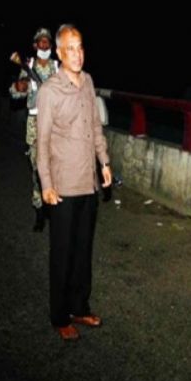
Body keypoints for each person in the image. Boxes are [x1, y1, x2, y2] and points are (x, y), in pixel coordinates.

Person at [36, 24, 111, 341]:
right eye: (70, 48)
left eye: (80, 47)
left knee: (83, 250)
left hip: (87, 182)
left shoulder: (88, 81)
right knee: (62, 253)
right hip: (63, 185)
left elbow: (95, 126)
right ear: (59, 52)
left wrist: (104, 161)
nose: (77, 54)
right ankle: (59, 316)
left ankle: (80, 307)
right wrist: (46, 184)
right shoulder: (49, 91)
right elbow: (41, 142)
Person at [10, 27, 59, 231]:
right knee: (38, 171)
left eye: (47, 41)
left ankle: (55, 209)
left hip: (56, 125)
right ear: (35, 45)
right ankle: (39, 211)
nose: (44, 45)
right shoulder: (27, 66)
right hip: (35, 124)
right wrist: (18, 87)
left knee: (57, 169)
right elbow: (16, 92)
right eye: (41, 41)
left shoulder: (57, 67)